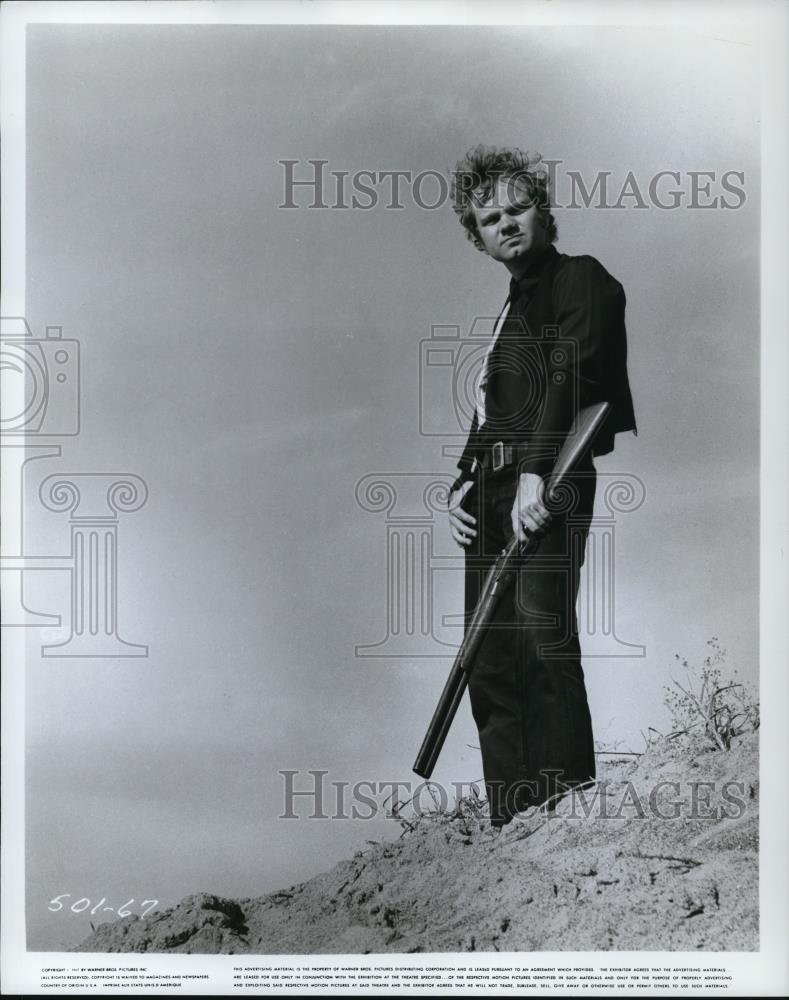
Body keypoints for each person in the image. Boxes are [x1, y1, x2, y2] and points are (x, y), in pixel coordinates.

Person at [446, 146, 636, 828]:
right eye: (489, 217)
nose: (506, 223)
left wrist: (533, 475)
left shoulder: (582, 280)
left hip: (550, 477)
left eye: (517, 207)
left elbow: (568, 374)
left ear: (543, 211)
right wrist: (459, 489)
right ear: (478, 237)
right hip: (493, 491)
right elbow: (488, 410)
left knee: (538, 637)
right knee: (488, 657)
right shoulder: (504, 314)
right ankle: (512, 825)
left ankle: (563, 813)